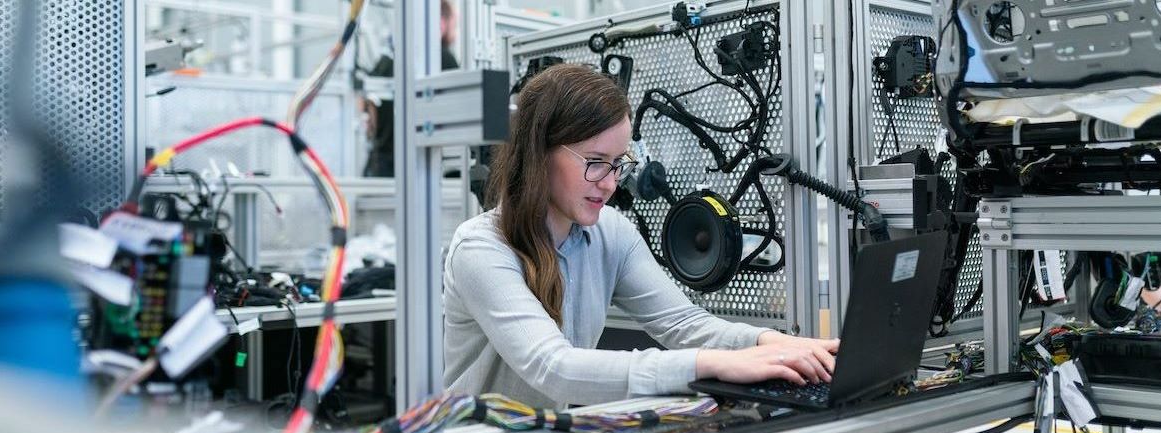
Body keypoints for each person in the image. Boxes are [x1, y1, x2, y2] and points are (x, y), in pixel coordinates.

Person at [442, 64, 840, 409]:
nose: (611, 183)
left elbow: (683, 323)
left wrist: (776, 344)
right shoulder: (481, 248)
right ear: (539, 153)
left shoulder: (610, 233)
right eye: (595, 163)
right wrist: (710, 364)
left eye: (618, 164)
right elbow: (554, 368)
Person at [360, 0, 460, 177]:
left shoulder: (387, 60)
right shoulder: (442, 58)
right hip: (420, 169)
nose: (455, 32)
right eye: (454, 24)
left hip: (380, 169)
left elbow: (366, 111)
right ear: (441, 23)